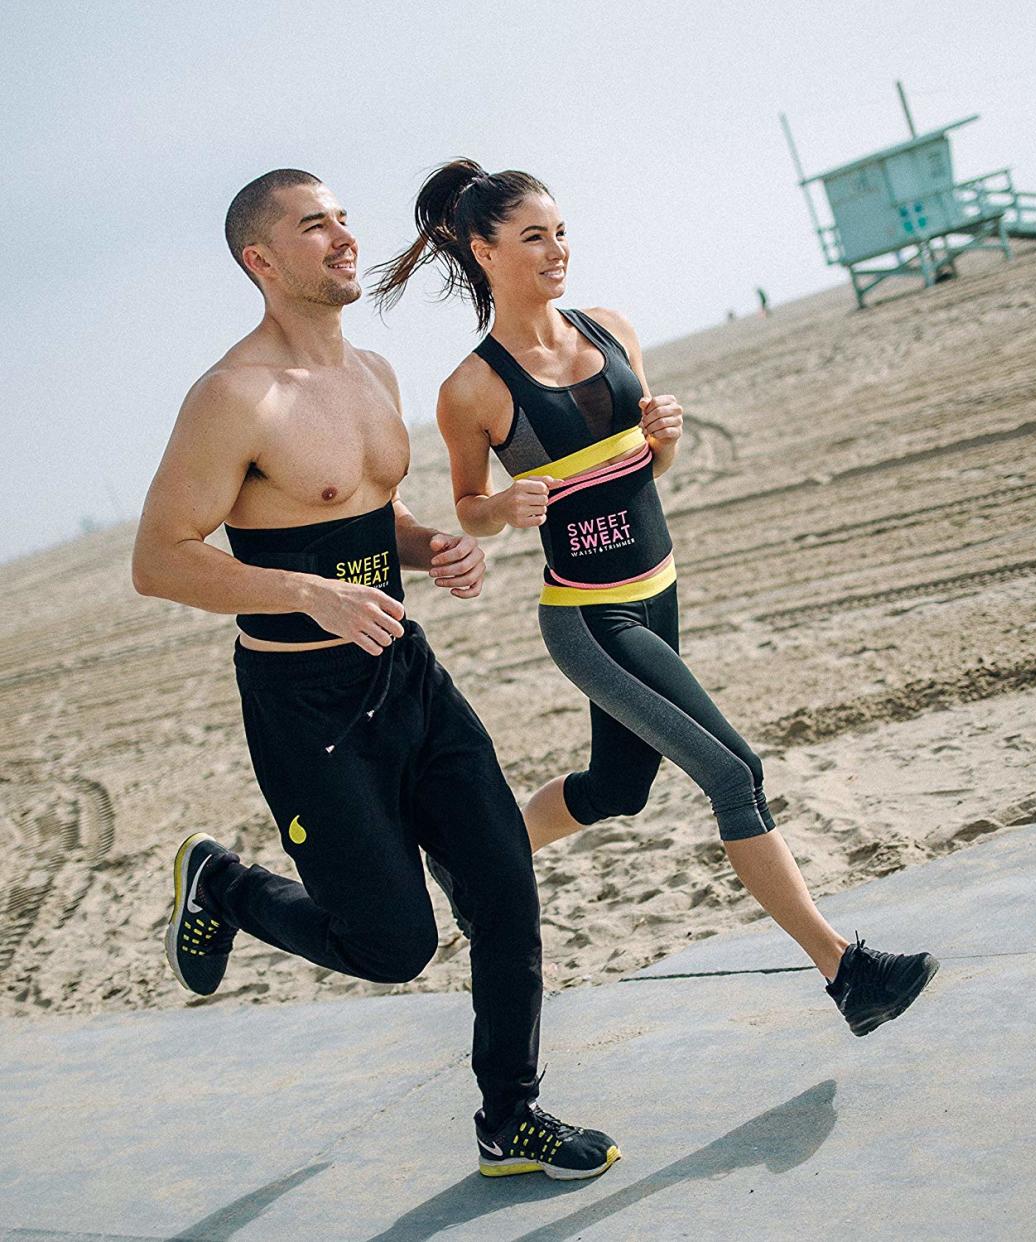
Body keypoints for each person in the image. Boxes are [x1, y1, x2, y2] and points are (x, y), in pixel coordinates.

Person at [370, 160, 939, 1039]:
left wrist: (664, 441)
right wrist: (501, 511)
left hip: (660, 592)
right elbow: (472, 509)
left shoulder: (612, 330)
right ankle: (847, 973)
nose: (557, 251)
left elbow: (647, 467)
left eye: (560, 232)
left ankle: (473, 862)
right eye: (532, 238)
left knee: (616, 789)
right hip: (590, 619)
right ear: (483, 251)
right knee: (733, 772)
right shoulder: (472, 389)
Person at [131, 169, 618, 1181]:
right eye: (315, 226)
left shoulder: (376, 374)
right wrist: (306, 596)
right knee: (393, 946)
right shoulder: (233, 396)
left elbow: (355, 519)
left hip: (408, 675)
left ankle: (508, 1120)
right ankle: (224, 885)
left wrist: (429, 542)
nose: (344, 237)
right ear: (261, 261)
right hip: (306, 704)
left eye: (345, 218)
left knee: (504, 887)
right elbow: (162, 558)